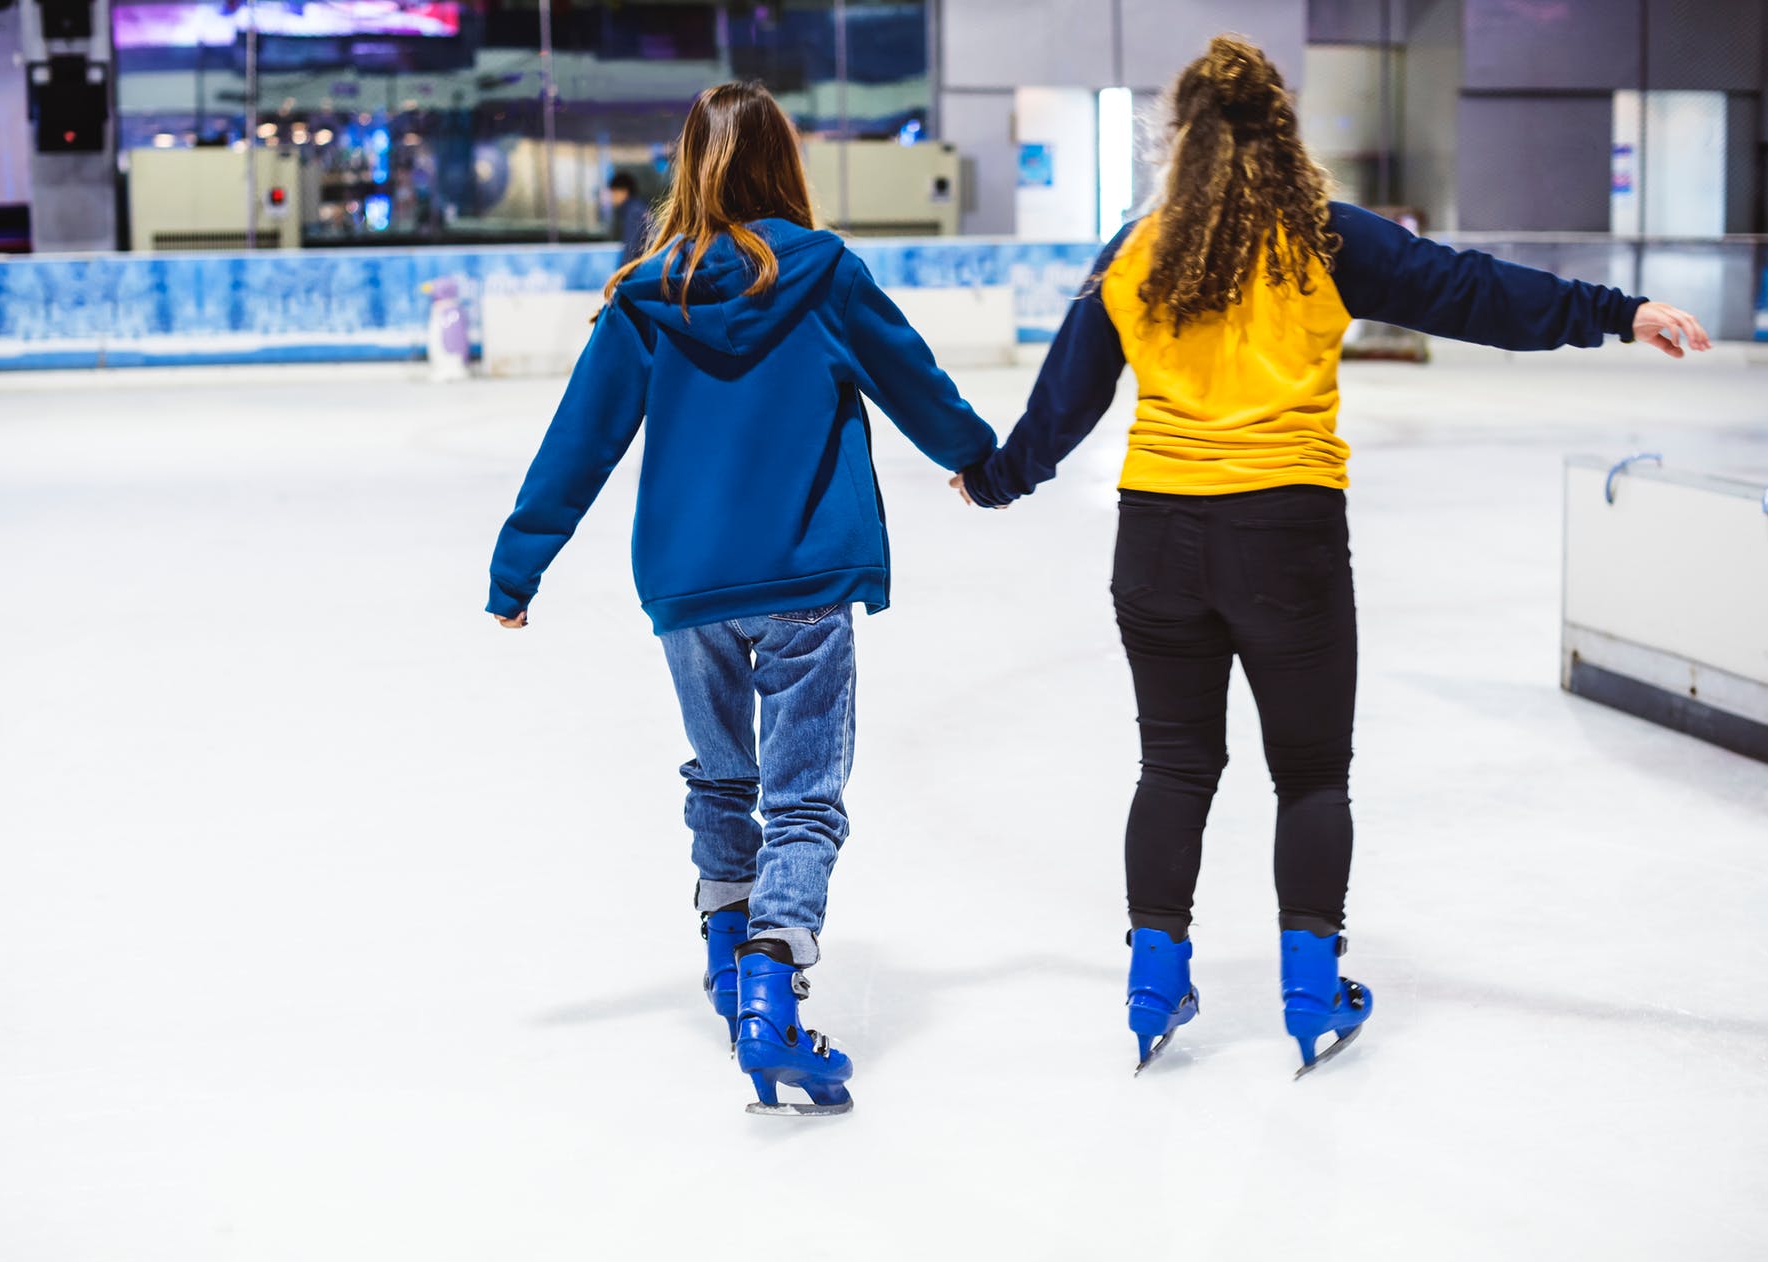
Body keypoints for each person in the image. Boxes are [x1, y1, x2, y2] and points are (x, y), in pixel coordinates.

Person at [953, 35, 1710, 1078]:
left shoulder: (1135, 252)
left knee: (1175, 766)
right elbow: (1471, 291)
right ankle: (1311, 990)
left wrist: (994, 478)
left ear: (1180, 138)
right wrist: (1616, 312)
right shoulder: (1322, 239)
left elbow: (1060, 408)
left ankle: (1151, 981)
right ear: (1280, 131)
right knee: (1310, 774)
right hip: (1286, 539)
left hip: (1158, 541)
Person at [488, 82, 996, 1115]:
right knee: (801, 796)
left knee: (724, 778)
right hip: (805, 575)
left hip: (689, 586)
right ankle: (772, 986)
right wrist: (979, 460)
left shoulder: (646, 295)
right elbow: (915, 383)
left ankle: (729, 966)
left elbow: (579, 442)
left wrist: (519, 563)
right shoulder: (825, 276)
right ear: (784, 161)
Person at [607, 172, 652, 266]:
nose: (612, 198)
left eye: (614, 193)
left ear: (624, 192)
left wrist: (621, 275)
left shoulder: (634, 213)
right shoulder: (638, 208)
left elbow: (631, 249)